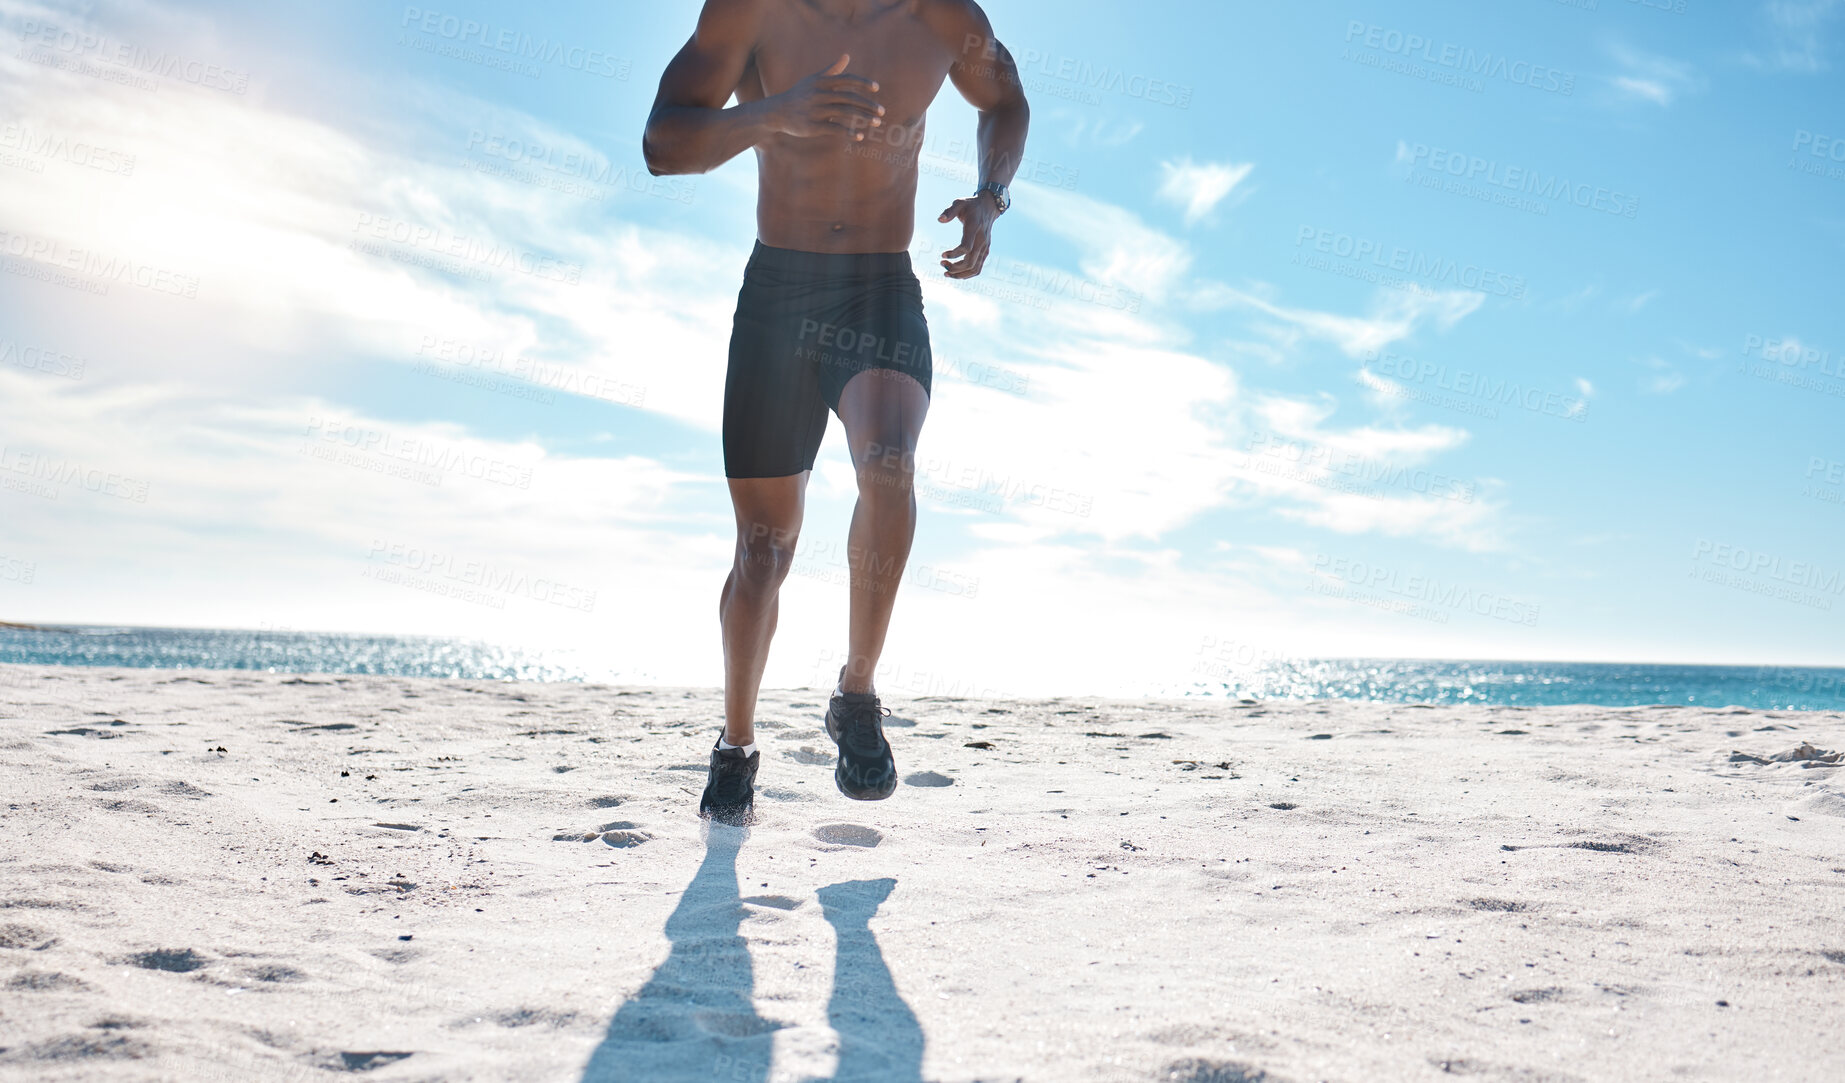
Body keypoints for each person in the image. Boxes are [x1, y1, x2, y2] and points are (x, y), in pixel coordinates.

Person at [642, 0, 1029, 821]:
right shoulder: (750, 11)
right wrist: (773, 113)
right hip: (779, 293)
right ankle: (737, 742)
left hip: (878, 289)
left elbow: (1004, 99)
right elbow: (662, 144)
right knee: (762, 550)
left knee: (889, 464)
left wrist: (990, 196)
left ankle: (856, 691)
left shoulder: (941, 16)